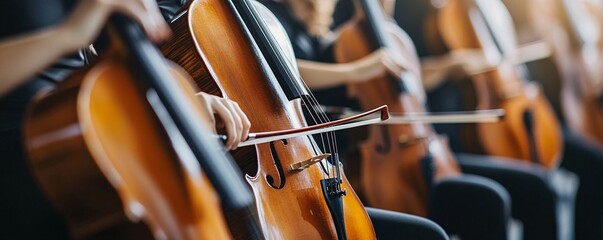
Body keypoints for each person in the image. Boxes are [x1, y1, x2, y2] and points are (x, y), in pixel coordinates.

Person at [260, 0, 514, 239]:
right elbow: (283, 66)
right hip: (338, 158)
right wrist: (357, 70)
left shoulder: (316, 21)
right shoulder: (266, 14)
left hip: (377, 150)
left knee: (490, 201)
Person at [0, 0, 250, 238]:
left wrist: (179, 103)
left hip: (91, 140)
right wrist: (68, 35)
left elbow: (98, 66)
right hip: (33, 165)